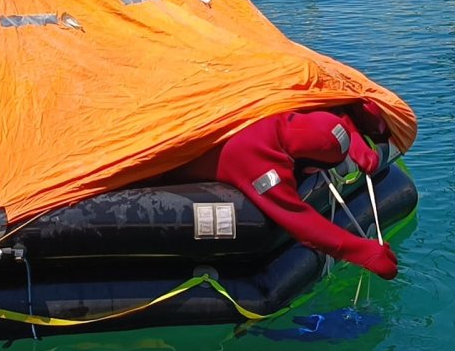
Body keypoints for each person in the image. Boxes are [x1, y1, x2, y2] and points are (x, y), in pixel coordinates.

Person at [168, 105, 399, 279]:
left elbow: (337, 118)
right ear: (309, 166)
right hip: (167, 166)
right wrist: (364, 253)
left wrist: (355, 143)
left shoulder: (280, 112)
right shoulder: (262, 165)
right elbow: (299, 220)